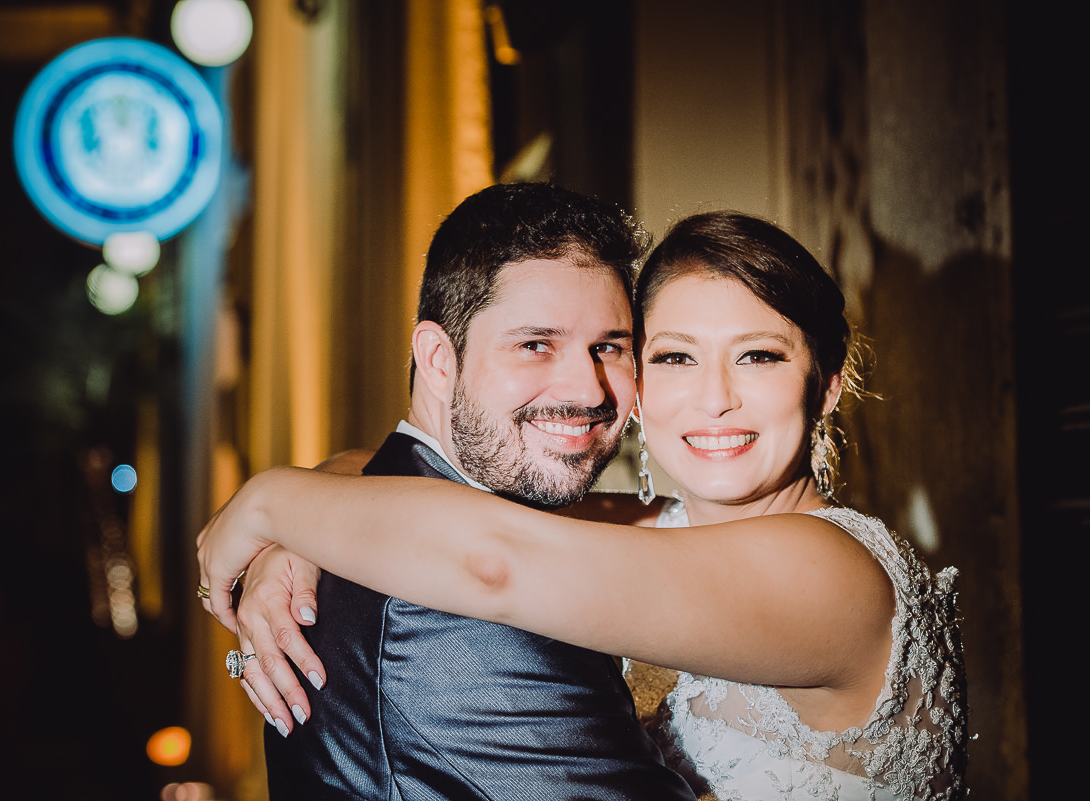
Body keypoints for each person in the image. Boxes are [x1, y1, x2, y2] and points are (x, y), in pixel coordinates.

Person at [198, 210, 969, 800]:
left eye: (759, 356)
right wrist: (304, 523)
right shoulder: (658, 525)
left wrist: (269, 502)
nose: (714, 399)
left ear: (826, 385)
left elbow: (494, 559)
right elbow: (440, 492)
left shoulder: (827, 570)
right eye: (673, 356)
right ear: (639, 382)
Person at [200, 182, 698, 800]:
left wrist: (287, 497)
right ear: (438, 359)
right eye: (535, 345)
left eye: (608, 347)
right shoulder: (453, 622)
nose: (589, 389)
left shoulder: (368, 512)